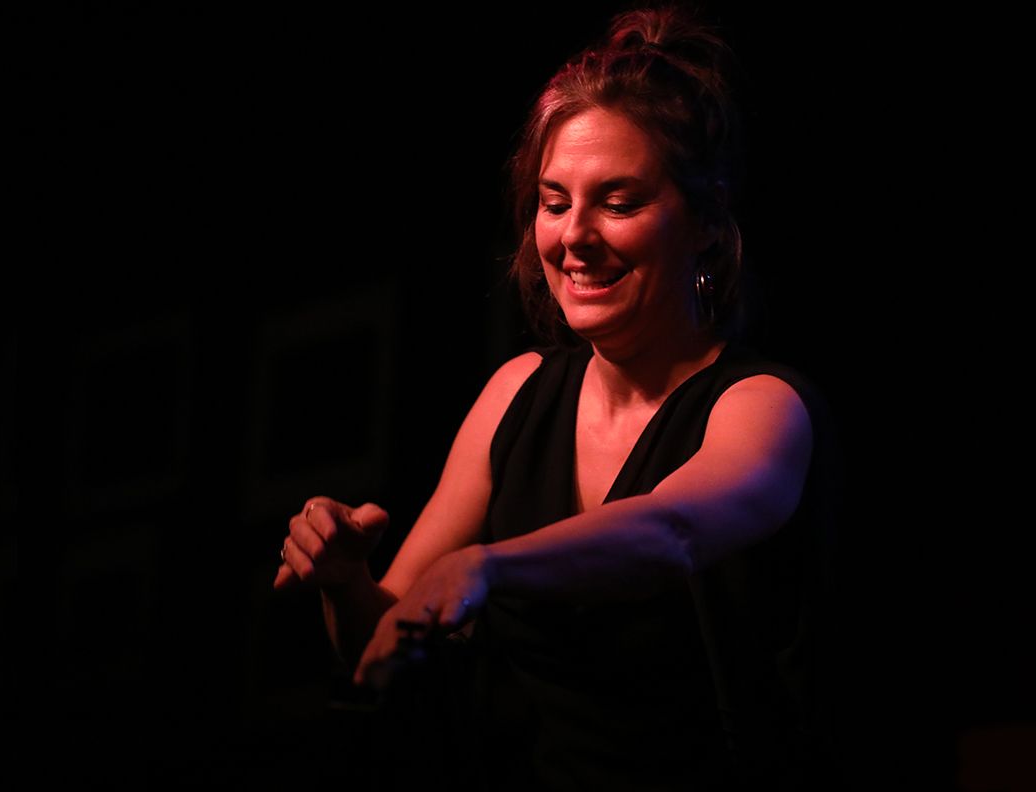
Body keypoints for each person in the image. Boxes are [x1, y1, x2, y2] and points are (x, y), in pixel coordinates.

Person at [274, 6, 838, 789]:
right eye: (554, 201)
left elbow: (670, 532)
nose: (573, 236)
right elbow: (386, 643)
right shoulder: (517, 393)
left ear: (707, 222)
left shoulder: (762, 406)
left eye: (619, 202)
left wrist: (486, 567)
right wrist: (346, 584)